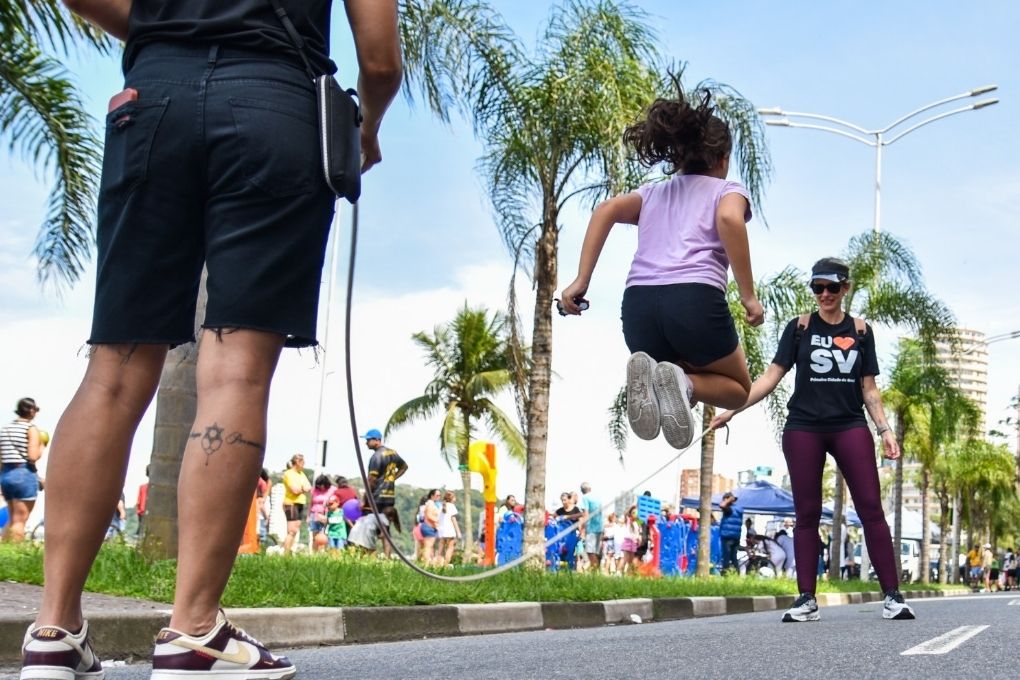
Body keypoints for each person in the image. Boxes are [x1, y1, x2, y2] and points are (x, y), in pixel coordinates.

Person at [21, 0, 401, 675]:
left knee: (113, 365)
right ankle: (193, 626)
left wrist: (164, 28)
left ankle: (53, 631)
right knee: (235, 370)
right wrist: (366, 129)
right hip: (274, 104)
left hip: (152, 99)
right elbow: (379, 57)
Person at [559, 79, 764, 450]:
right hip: (694, 301)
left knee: (673, 367)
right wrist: (749, 296)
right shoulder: (726, 190)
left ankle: (672, 381)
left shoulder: (652, 193)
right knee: (737, 390)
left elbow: (605, 209)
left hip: (638, 310)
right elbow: (731, 220)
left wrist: (580, 280)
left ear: (678, 157)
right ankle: (684, 385)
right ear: (722, 159)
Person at [712, 257, 914, 622]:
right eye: (818, 287)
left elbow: (869, 389)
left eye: (832, 287)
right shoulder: (800, 328)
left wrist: (884, 430)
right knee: (805, 513)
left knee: (871, 507)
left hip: (850, 425)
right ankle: (806, 598)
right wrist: (733, 408)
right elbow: (771, 376)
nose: (824, 294)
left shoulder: (862, 332)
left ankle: (893, 596)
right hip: (804, 427)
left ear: (845, 289)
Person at [1, 398, 44, 543]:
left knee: (12, 518)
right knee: (21, 519)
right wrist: (41, 446)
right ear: (31, 410)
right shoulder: (31, 429)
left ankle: (5, 549)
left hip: (6, 475)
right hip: (23, 474)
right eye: (35, 410)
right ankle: (16, 552)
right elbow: (32, 456)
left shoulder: (5, 429)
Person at [364, 428, 407, 558]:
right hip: (389, 496)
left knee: (371, 526)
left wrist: (365, 498)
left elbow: (371, 480)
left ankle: (370, 555)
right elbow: (404, 467)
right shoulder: (392, 453)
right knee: (385, 528)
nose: (366, 443)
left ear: (377, 440)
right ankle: (387, 556)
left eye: (368, 440)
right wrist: (392, 478)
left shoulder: (376, 457)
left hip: (377, 496)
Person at [282, 454, 312, 555]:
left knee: (296, 530)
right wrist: (303, 488)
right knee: (291, 530)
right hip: (290, 503)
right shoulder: (288, 474)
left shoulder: (302, 474)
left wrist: (302, 489)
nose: (304, 465)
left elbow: (309, 487)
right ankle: (285, 553)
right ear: (298, 462)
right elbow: (294, 490)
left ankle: (289, 550)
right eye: (303, 462)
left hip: (300, 503)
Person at [578, 482, 604, 572]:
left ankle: (595, 571)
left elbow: (586, 514)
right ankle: (596, 571)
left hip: (591, 527)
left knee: (590, 551)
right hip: (600, 527)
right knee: (596, 551)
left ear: (582, 491)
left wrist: (582, 529)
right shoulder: (597, 498)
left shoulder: (585, 498)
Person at [308, 474, 334, 553]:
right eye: (319, 485)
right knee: (314, 536)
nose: (320, 487)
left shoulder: (332, 490)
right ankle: (314, 553)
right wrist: (308, 516)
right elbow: (311, 503)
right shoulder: (314, 490)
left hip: (325, 514)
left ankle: (322, 552)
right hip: (314, 514)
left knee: (323, 535)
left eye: (322, 485)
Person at [436, 490, 462, 567]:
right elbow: (453, 520)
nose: (455, 499)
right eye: (454, 497)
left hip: (441, 530)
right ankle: (446, 565)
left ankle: (438, 565)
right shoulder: (451, 506)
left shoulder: (441, 506)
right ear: (451, 498)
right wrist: (458, 532)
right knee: (450, 548)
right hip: (449, 530)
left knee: (441, 548)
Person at [719, 492, 742, 574]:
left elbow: (722, 505)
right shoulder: (739, 509)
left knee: (726, 558)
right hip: (736, 537)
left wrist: (728, 500)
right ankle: (737, 575)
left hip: (727, 537)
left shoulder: (730, 509)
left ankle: (725, 576)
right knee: (733, 557)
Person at [419, 489, 441, 566]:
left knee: (429, 547)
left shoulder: (432, 503)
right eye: (437, 495)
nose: (439, 497)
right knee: (428, 547)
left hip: (431, 527)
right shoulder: (430, 503)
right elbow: (429, 515)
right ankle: (426, 564)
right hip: (429, 527)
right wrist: (437, 522)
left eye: (439, 495)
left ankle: (428, 562)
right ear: (432, 495)